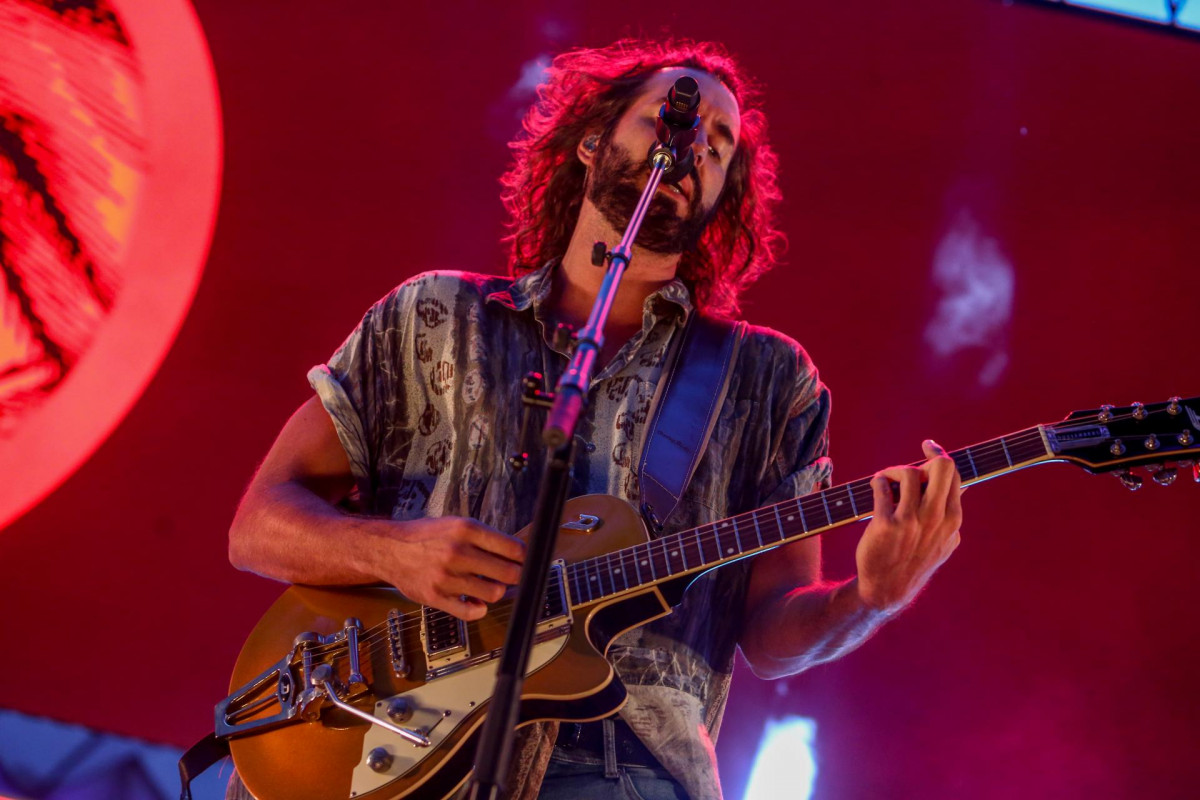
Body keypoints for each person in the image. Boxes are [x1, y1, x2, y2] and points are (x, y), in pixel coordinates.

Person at [227, 39, 962, 800]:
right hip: (382, 735)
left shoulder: (770, 381)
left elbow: (773, 637)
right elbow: (257, 528)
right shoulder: (433, 315)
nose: (693, 146)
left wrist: (869, 600)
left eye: (718, 144)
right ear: (591, 141)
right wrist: (395, 552)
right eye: (671, 119)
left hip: (622, 763)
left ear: (722, 193)